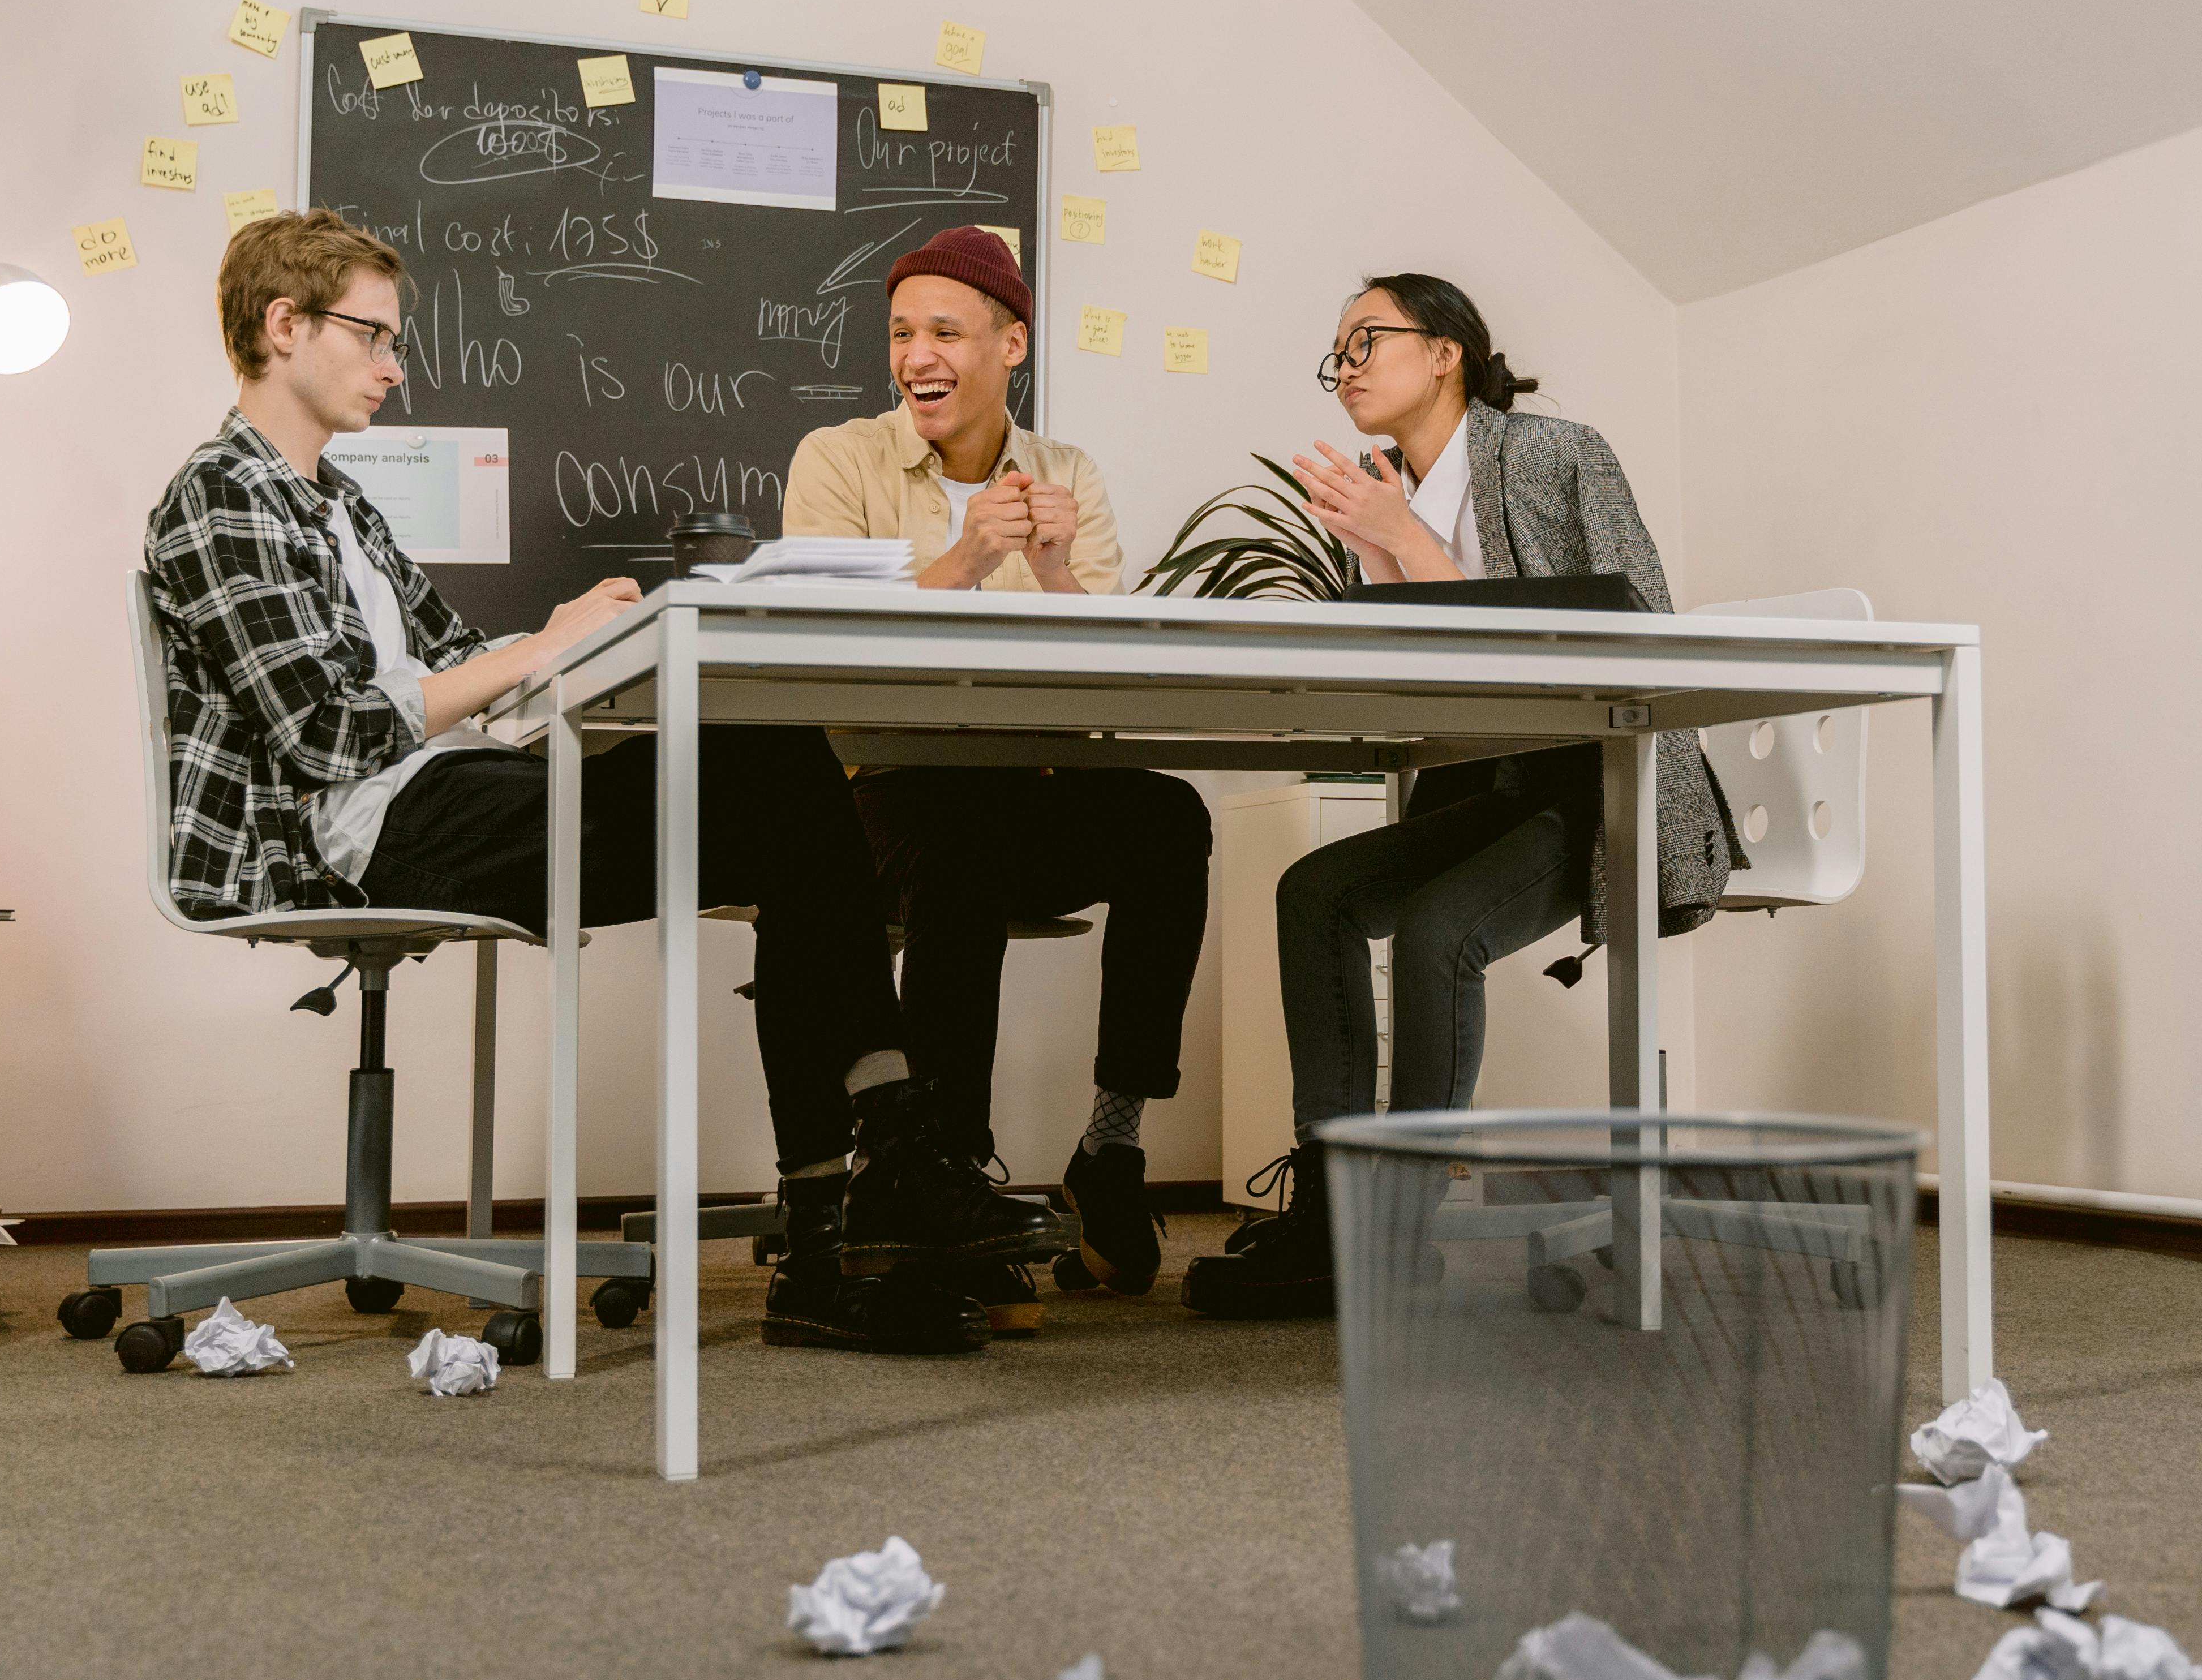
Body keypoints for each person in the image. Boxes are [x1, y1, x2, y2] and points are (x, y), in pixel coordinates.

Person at [143, 209, 1064, 1356]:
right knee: (784, 783)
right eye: (372, 335)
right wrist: (534, 650)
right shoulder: (223, 495)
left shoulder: (339, 501)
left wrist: (554, 634)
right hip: (363, 830)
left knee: (778, 768)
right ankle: (874, 1188)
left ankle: (855, 1208)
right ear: (284, 326)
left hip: (449, 790)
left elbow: (450, 659)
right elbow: (329, 728)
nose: (393, 364)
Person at [1181, 273, 1741, 1319]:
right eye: (1334, 353)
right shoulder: (1392, 491)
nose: (1344, 367)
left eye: (1365, 341)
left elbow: (1638, 637)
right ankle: (1338, 1206)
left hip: (1610, 773)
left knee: (1441, 928)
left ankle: (1394, 1233)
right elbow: (1434, 681)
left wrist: (1405, 539)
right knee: (1317, 895)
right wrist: (1375, 559)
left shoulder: (1557, 454)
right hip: (1510, 774)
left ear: (1446, 353)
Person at [782, 226, 1211, 1326]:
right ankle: (952, 1175)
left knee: (1168, 815)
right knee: (961, 849)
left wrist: (1058, 573)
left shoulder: (1068, 474)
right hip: (878, 793)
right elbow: (826, 650)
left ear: (1010, 342)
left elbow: (1103, 684)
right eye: (900, 333)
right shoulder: (839, 460)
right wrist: (968, 561)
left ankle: (1110, 1144)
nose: (917, 355)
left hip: (1030, 776)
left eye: (945, 331)